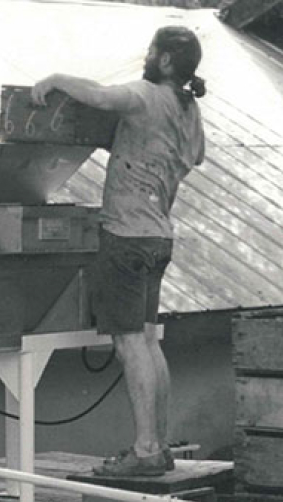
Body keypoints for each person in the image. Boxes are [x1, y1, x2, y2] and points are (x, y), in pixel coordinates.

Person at [34, 26, 206, 477]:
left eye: (153, 51)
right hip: (159, 235)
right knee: (149, 340)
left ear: (166, 60)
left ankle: (145, 449)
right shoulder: (190, 113)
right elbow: (192, 154)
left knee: (130, 344)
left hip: (125, 236)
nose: (147, 56)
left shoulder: (147, 96)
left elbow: (102, 96)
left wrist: (54, 79)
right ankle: (160, 445)